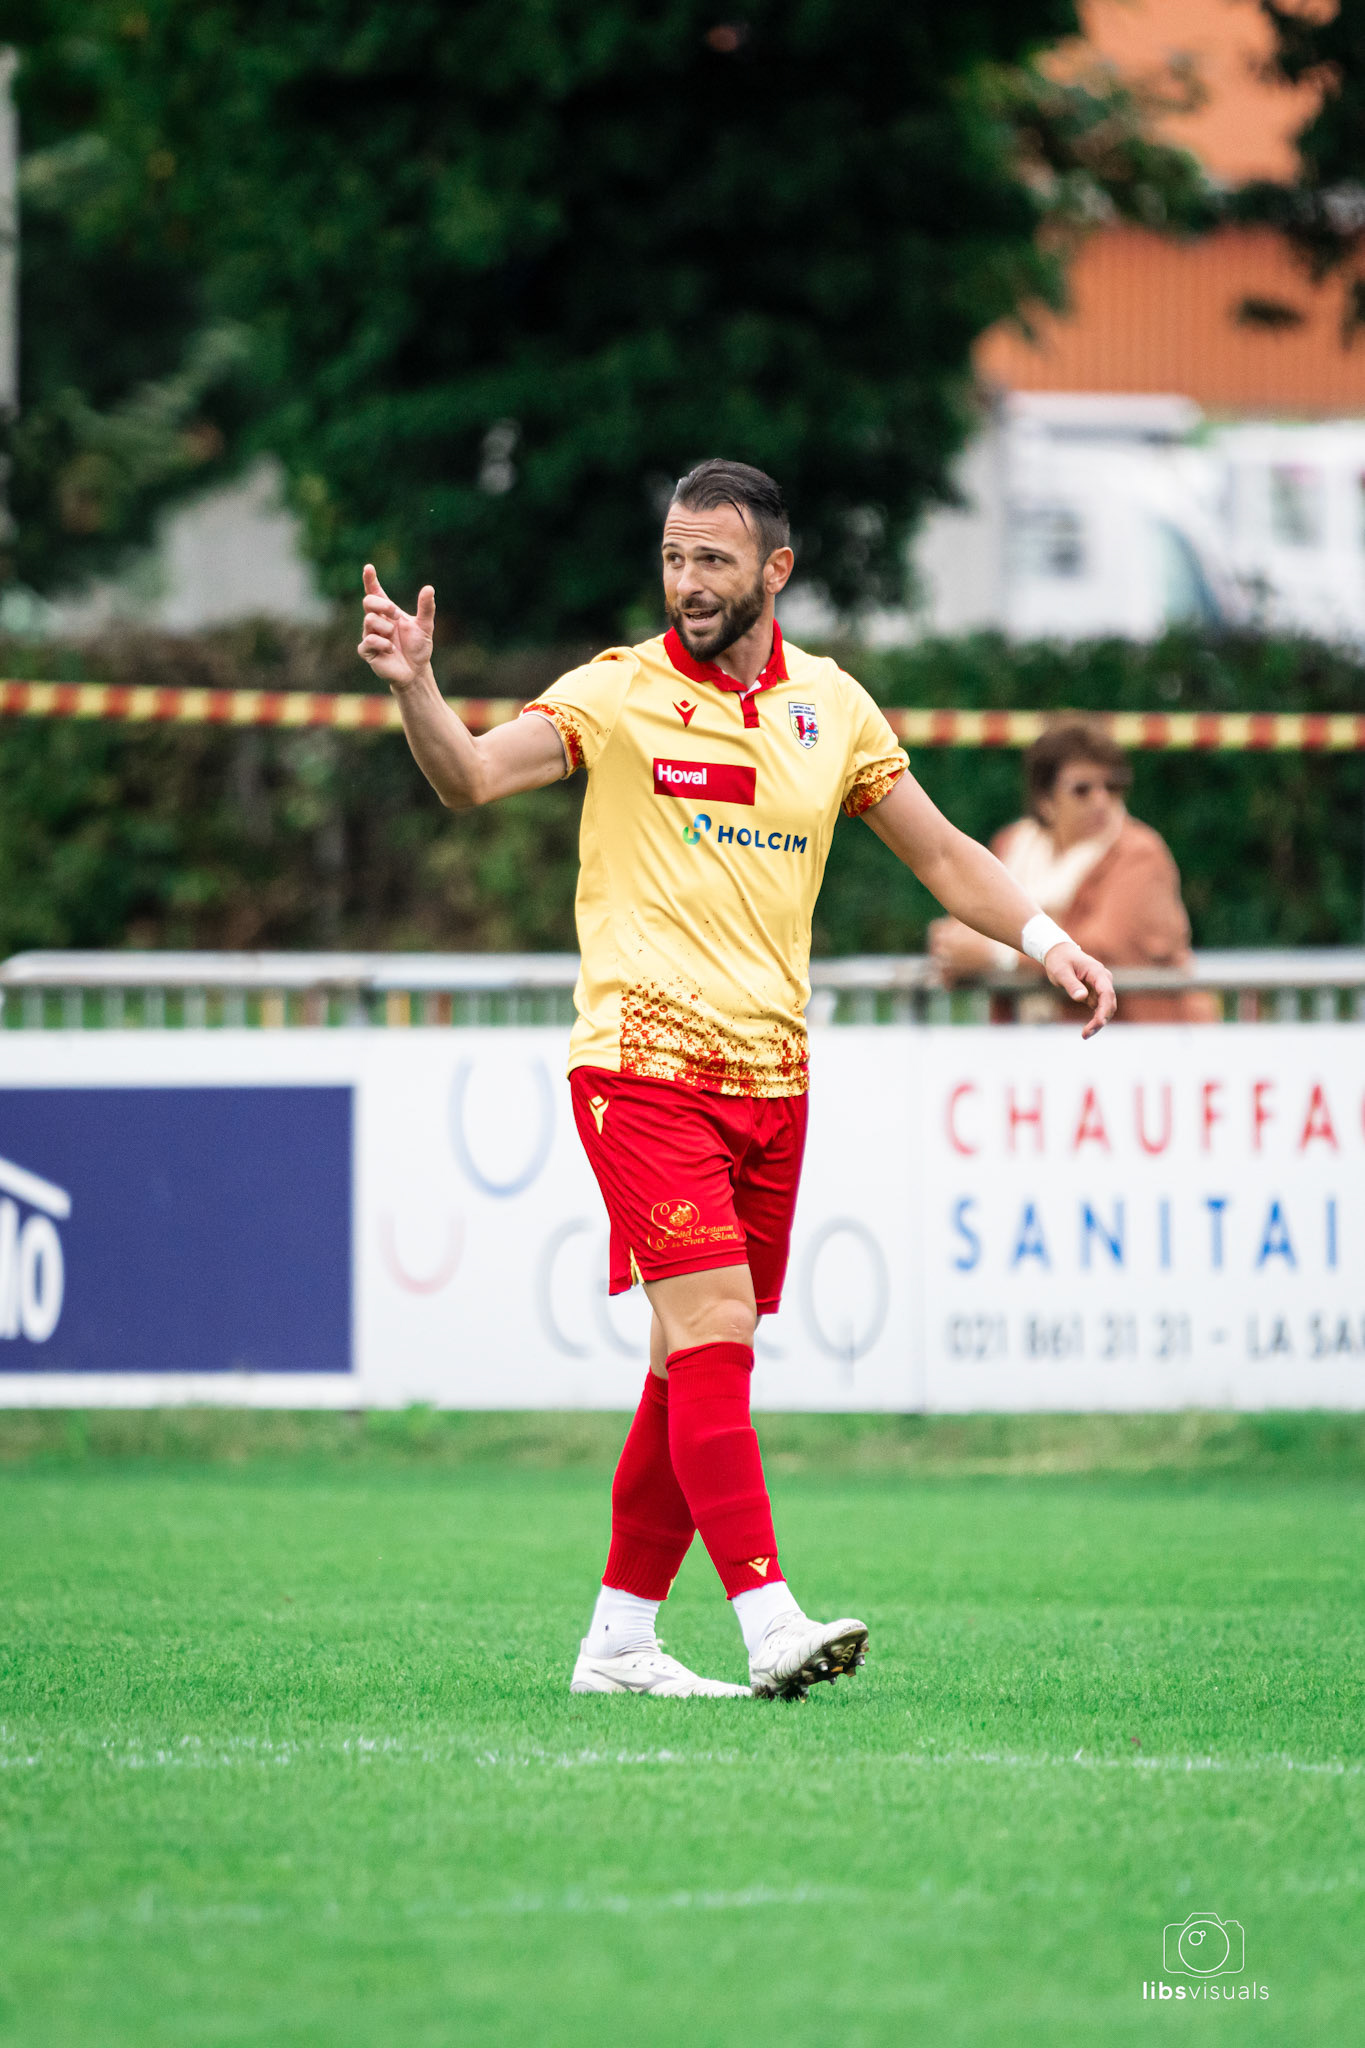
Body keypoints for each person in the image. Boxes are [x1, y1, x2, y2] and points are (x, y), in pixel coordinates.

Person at [358, 459, 1116, 1701]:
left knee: (683, 1358)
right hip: (642, 1065)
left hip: (773, 1079)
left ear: (776, 569)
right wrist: (419, 688)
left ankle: (618, 1640)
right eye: (672, 557)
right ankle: (768, 1616)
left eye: (713, 559)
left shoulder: (832, 706)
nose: (687, 582)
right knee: (713, 1332)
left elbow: (938, 852)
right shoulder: (618, 690)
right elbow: (473, 779)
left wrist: (1047, 941)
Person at [930, 721, 1216, 1023]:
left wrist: (998, 955)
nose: (1102, 800)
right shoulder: (1012, 844)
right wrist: (952, 948)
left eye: (1113, 786)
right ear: (1045, 801)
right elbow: (969, 923)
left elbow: (1105, 950)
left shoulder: (1140, 853)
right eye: (1083, 789)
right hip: (1035, 1047)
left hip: (1133, 1046)